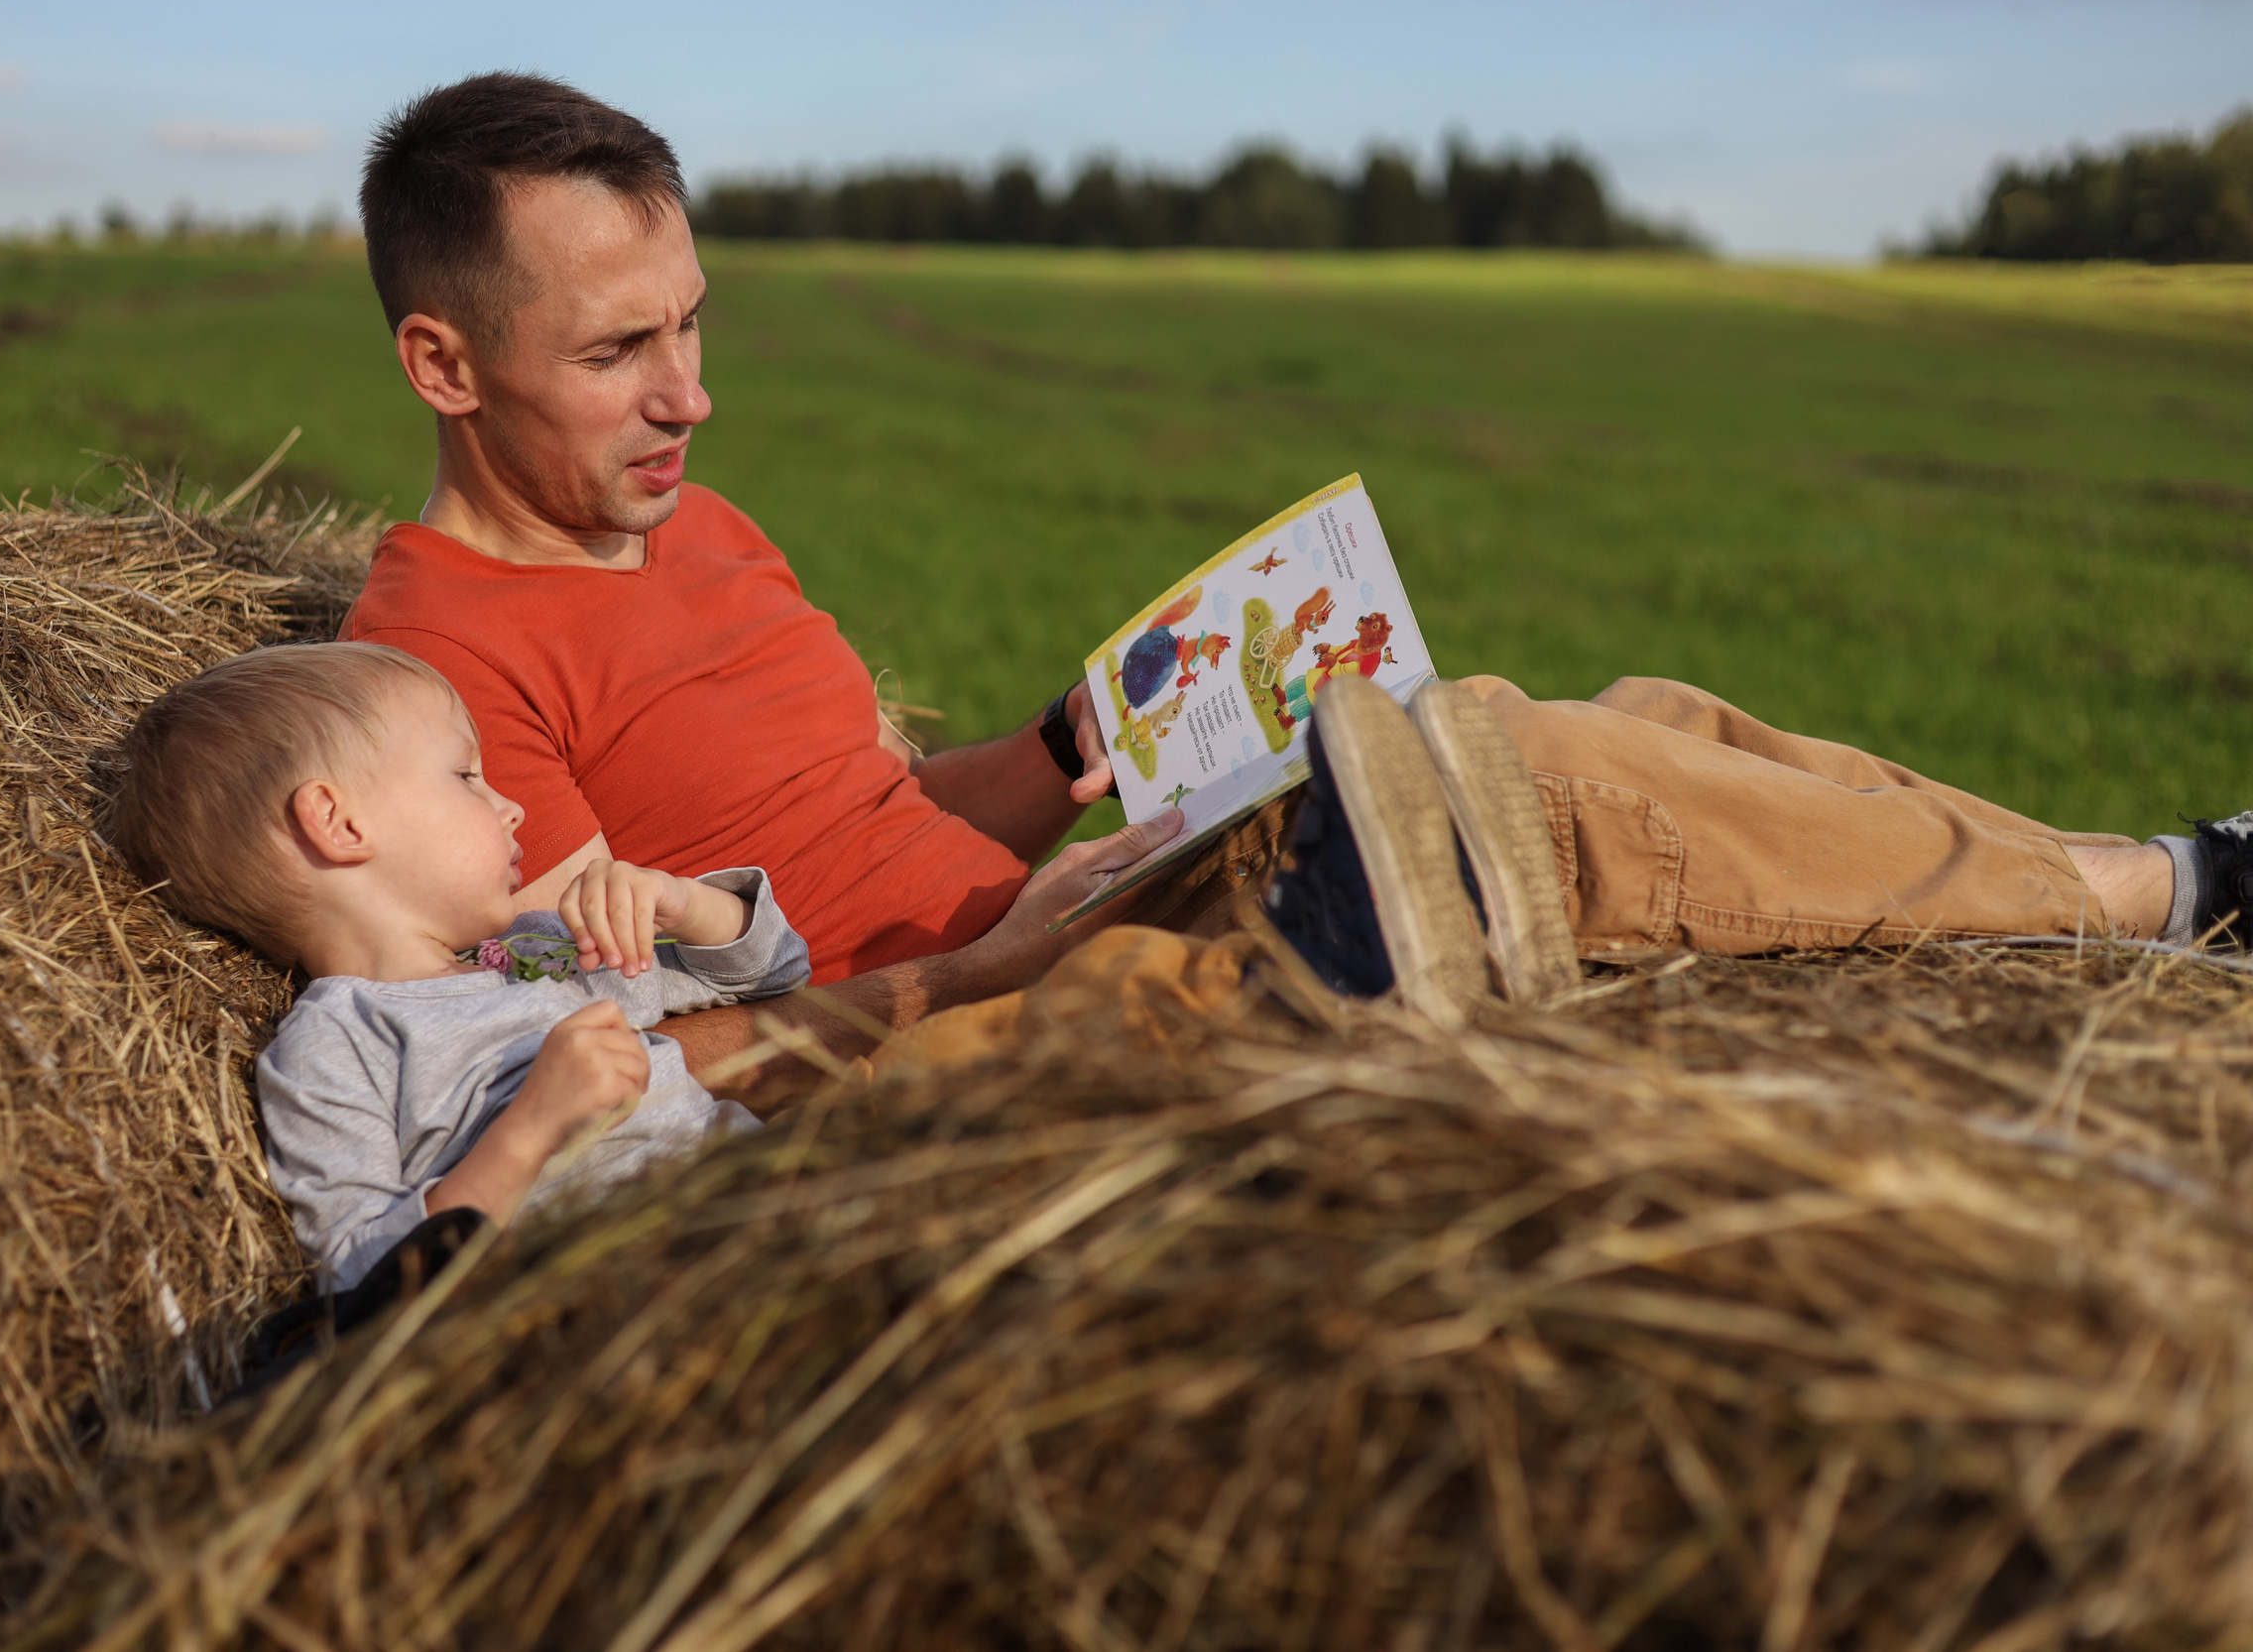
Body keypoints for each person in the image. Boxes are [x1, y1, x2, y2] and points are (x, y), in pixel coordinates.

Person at [337, 72, 2229, 1087]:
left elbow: (843, 817)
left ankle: (2138, 933)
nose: (694, 393)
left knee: (1647, 715)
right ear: (443, 366)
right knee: (1522, 771)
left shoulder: (692, 516)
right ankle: (2179, 891)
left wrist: (1085, 735)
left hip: (1055, 910)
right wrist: (1005, 958)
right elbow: (604, 1032)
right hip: (957, 1038)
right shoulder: (427, 677)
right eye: (618, 356)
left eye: (695, 324)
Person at [103, 641, 810, 1289]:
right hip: (640, 1288)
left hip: (772, 1203)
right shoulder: (336, 1046)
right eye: (466, 775)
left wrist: (681, 902)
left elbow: (772, 971)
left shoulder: (535, 952)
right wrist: (530, 1128)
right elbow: (359, 1276)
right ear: (339, 824)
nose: (512, 808)